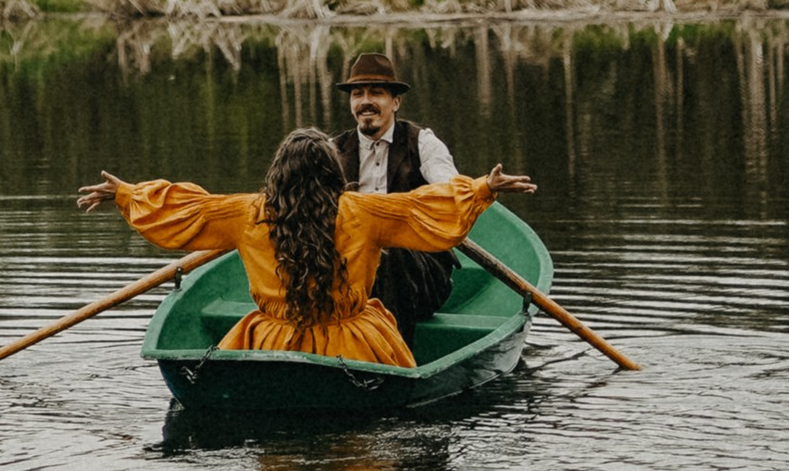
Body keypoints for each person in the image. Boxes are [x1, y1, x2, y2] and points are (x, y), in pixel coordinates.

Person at [75, 129, 535, 367]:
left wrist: (127, 194)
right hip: (353, 345)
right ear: (332, 169)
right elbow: (425, 211)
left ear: (278, 171)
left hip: (269, 339)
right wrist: (481, 189)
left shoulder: (246, 212)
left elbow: (183, 211)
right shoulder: (363, 211)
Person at [340, 51, 459, 339]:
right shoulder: (333, 151)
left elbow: (451, 192)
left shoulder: (423, 143)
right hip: (354, 277)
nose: (365, 101)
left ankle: (395, 354)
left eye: (376, 93)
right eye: (358, 94)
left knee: (393, 253)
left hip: (421, 276)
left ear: (395, 102)